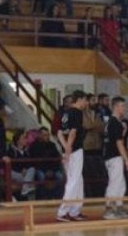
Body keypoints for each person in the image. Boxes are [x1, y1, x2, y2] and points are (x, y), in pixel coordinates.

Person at [56, 90, 88, 222]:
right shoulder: (77, 113)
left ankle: (75, 211)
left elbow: (59, 132)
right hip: (75, 150)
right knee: (73, 181)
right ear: (79, 99)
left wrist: (65, 148)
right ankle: (62, 211)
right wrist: (68, 150)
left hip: (68, 149)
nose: (86, 103)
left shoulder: (65, 113)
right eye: (85, 100)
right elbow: (73, 133)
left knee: (78, 180)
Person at [103, 96, 128, 220]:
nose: (124, 108)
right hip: (114, 156)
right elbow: (118, 142)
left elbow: (117, 138)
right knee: (115, 182)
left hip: (112, 155)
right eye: (122, 106)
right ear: (116, 107)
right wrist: (126, 159)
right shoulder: (114, 122)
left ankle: (118, 205)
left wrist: (123, 130)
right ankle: (109, 208)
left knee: (120, 182)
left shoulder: (112, 122)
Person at [29, 127, 64, 200]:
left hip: (53, 169)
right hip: (41, 169)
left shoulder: (52, 145)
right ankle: (42, 198)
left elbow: (57, 159)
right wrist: (46, 170)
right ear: (39, 135)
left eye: (48, 135)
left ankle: (58, 198)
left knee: (60, 177)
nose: (47, 137)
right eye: (45, 135)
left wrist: (52, 170)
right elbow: (35, 161)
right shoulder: (33, 146)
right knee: (41, 177)